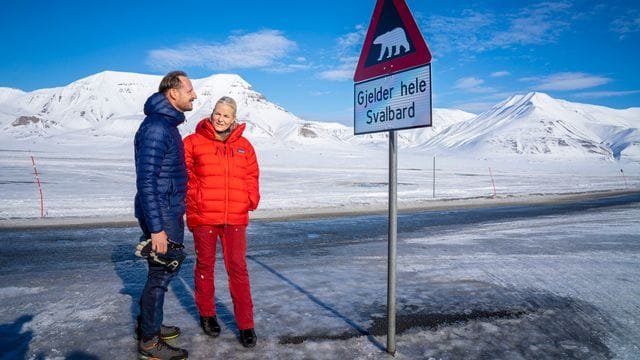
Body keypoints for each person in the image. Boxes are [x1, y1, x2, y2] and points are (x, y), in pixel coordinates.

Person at [183, 96, 260, 348]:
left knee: (238, 268)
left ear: (233, 118)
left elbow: (252, 175)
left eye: (226, 115)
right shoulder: (193, 142)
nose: (220, 118)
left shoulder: (244, 146)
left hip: (235, 217)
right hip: (205, 215)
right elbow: (184, 174)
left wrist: (250, 199)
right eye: (218, 113)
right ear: (212, 113)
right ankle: (207, 314)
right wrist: (195, 198)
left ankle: (246, 324)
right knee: (205, 266)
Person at [134, 70, 197, 359]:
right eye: (189, 90)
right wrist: (158, 229)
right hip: (162, 213)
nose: (194, 95)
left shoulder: (166, 124)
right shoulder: (158, 127)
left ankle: (151, 325)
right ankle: (149, 341)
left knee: (162, 269)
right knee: (161, 272)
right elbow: (146, 180)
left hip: (168, 209)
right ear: (173, 92)